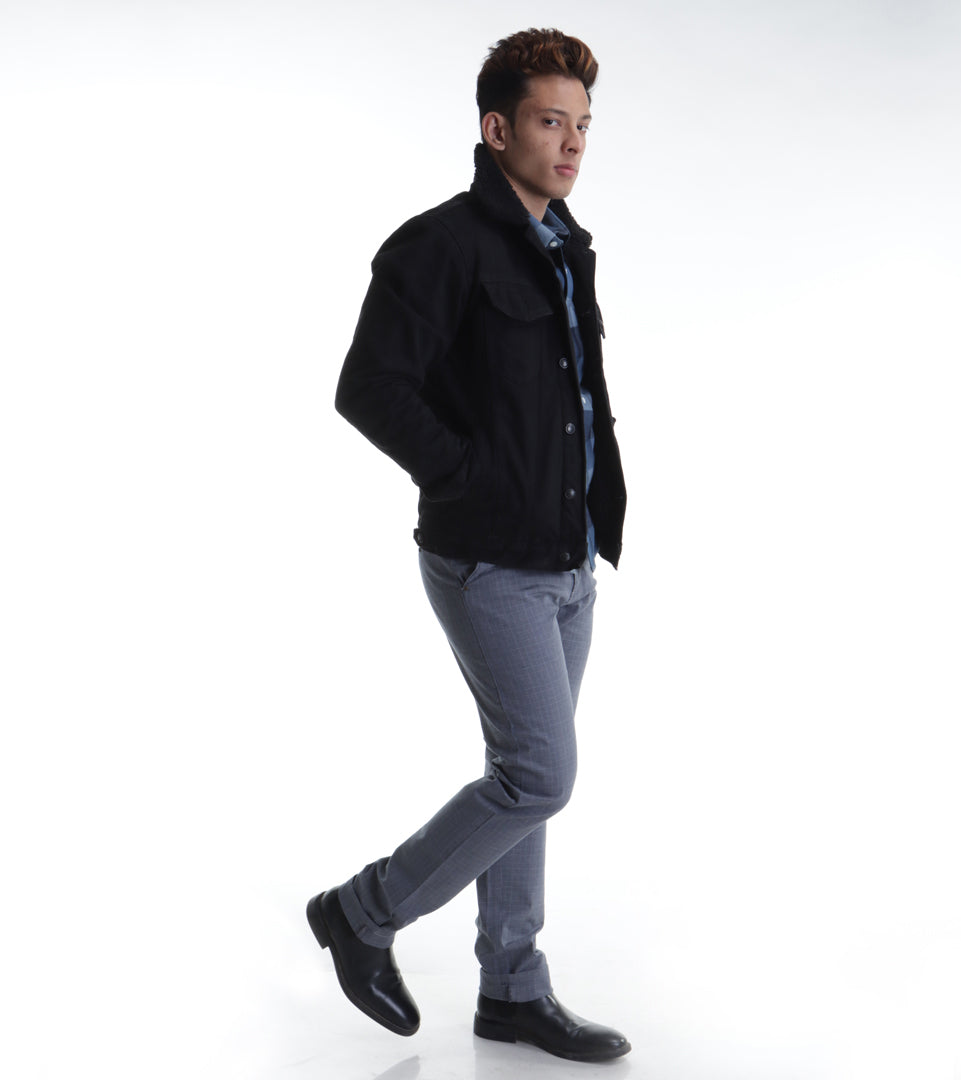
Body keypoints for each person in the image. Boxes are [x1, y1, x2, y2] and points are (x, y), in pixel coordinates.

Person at [306, 28, 629, 1063]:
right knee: (540, 775)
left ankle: (511, 989)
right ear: (496, 130)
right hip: (489, 560)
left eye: (583, 125)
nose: (572, 143)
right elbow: (369, 387)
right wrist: (469, 476)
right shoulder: (438, 245)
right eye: (550, 121)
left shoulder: (565, 244)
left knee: (521, 774)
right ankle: (363, 912)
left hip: (567, 558)